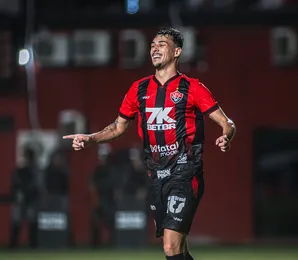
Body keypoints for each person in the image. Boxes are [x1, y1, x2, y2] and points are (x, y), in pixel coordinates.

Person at [63, 28, 236, 260]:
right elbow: (117, 127)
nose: (154, 48)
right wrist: (90, 138)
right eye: (152, 44)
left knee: (170, 246)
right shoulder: (139, 89)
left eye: (162, 44)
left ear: (177, 52)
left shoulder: (192, 87)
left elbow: (227, 122)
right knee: (180, 249)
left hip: (185, 173)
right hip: (157, 177)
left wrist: (227, 136)